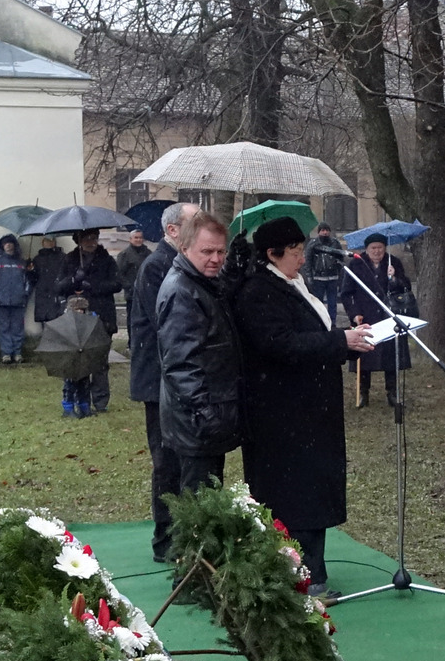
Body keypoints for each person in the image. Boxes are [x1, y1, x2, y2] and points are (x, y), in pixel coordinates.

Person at [234, 217, 376, 598]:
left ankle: (314, 571)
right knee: (293, 498)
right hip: (282, 414)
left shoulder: (293, 283)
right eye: (295, 252)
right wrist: (340, 341)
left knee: (313, 493)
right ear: (272, 254)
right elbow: (281, 344)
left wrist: (347, 342)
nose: (302, 259)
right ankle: (300, 576)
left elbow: (311, 335)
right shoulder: (257, 292)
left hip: (309, 410)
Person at [156, 209, 243, 493]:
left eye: (221, 251)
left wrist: (235, 270)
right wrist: (205, 413)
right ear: (184, 248)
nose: (216, 259)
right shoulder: (182, 291)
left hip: (204, 418)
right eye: (207, 251)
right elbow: (180, 364)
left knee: (206, 497)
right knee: (199, 504)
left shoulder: (201, 282)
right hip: (196, 422)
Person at [130, 203, 196, 560]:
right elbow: (167, 323)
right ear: (172, 231)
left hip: (178, 378)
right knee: (166, 461)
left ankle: (184, 532)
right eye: (194, 223)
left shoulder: (182, 262)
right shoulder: (157, 266)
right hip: (159, 380)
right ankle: (165, 539)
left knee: (184, 460)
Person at [343, 232, 413, 406]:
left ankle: (392, 393)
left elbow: (405, 287)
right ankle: (363, 393)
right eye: (373, 248)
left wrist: (394, 278)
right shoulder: (356, 264)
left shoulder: (393, 262)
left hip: (388, 316)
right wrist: (354, 313)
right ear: (366, 249)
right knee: (364, 355)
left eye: (380, 248)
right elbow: (347, 293)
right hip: (365, 317)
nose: (377, 251)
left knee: (391, 356)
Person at [60, 229, 122, 409]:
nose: (90, 242)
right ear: (79, 241)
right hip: (78, 318)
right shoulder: (70, 260)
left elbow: (117, 284)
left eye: (94, 238)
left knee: (101, 361)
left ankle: (101, 401)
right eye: (86, 239)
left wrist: (93, 286)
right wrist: (74, 279)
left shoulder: (106, 260)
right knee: (80, 361)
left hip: (103, 315)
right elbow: (59, 287)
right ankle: (83, 399)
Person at [0, 233, 33, 364]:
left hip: (19, 301)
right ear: (2, 246)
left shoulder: (22, 264)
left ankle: (17, 353)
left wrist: (24, 294)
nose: (8, 246)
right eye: (6, 243)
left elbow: (29, 281)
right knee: (3, 328)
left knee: (18, 328)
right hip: (0, 302)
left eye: (11, 243)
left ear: (15, 246)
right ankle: (6, 353)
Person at [303, 222, 347, 323]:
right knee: (318, 302)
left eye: (327, 230)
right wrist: (309, 276)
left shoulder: (335, 243)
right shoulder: (313, 244)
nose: (325, 233)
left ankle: (332, 322)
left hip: (333, 277)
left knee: (332, 302)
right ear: (319, 232)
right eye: (323, 230)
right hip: (318, 278)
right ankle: (319, 321)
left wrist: (339, 271)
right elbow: (308, 261)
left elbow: (341, 258)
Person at [116, 228, 152, 297]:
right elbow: (119, 274)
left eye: (140, 238)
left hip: (146, 292)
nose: (138, 240)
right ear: (130, 239)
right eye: (136, 238)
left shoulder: (148, 253)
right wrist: (129, 287)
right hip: (131, 294)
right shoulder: (124, 255)